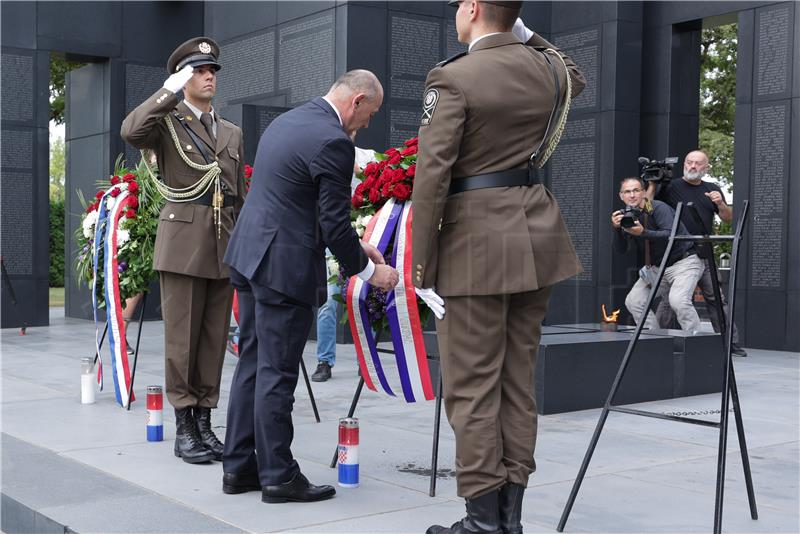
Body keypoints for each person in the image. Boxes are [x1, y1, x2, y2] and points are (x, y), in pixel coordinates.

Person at [411, 2, 586, 533]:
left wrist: (421, 269)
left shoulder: (454, 77)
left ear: (471, 8)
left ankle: (482, 522)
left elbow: (432, 176)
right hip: (536, 237)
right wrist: (524, 32)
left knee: (472, 386)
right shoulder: (549, 70)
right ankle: (509, 519)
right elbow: (573, 75)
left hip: (476, 247)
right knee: (516, 382)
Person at [222, 70, 400, 503]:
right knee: (277, 373)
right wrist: (369, 271)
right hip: (283, 269)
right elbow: (334, 223)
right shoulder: (334, 141)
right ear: (357, 101)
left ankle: (240, 467)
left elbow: (295, 201)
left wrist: (360, 247)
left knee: (252, 363)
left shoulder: (288, 122)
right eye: (370, 114)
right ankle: (279, 477)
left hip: (250, 257)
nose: (366, 125)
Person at [121, 37, 244, 465]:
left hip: (222, 242)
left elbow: (238, 195)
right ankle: (183, 426)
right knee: (182, 341)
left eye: (212, 70)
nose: (209, 76)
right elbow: (131, 129)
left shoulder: (230, 131)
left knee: (212, 339)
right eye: (198, 70)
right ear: (182, 77)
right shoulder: (167, 123)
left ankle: (206, 422)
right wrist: (167, 91)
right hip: (182, 243)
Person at [647, 150, 747, 356]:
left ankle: (729, 343)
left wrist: (720, 203)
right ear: (684, 164)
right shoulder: (670, 187)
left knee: (716, 299)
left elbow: (728, 219)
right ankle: (655, 339)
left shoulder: (712, 188)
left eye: (698, 163)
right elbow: (647, 207)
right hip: (679, 255)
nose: (693, 166)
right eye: (689, 162)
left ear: (706, 167)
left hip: (704, 253)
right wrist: (651, 184)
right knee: (669, 300)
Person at [312, 146, 377, 383]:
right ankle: (324, 361)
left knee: (364, 299)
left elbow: (373, 184)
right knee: (329, 301)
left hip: (360, 233)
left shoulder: (367, 155)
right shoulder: (326, 152)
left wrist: (354, 167)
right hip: (332, 236)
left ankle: (367, 362)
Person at [613, 177, 705, 332]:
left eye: (636, 190)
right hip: (657, 268)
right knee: (634, 301)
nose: (632, 195)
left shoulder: (655, 207)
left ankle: (695, 345)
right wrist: (616, 229)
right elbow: (621, 250)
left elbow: (670, 234)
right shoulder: (628, 216)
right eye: (627, 192)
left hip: (683, 262)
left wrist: (643, 232)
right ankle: (653, 341)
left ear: (643, 193)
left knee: (678, 302)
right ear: (621, 196)